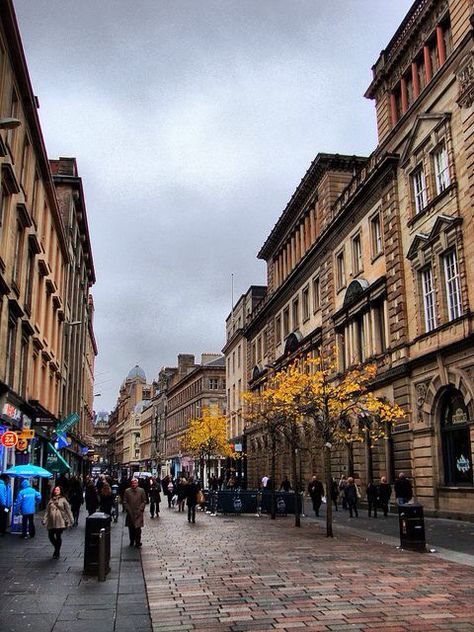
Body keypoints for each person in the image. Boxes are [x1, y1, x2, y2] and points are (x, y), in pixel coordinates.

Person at [42, 486, 73, 559]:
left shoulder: (63, 499)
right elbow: (47, 511)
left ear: (60, 491)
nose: (56, 491)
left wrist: (71, 520)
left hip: (60, 521)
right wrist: (44, 519)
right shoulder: (51, 500)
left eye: (58, 489)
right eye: (55, 489)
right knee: (51, 536)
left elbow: (68, 510)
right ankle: (57, 548)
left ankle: (57, 552)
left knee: (58, 536)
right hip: (51, 521)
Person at [123, 478, 147, 547]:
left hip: (138, 512)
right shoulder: (127, 491)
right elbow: (125, 501)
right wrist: (127, 508)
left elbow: (144, 500)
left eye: (135, 483)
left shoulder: (141, 491)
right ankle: (132, 540)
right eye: (132, 483)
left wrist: (141, 508)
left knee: (138, 528)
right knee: (131, 528)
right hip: (130, 512)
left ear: (137, 484)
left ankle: (138, 542)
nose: (134, 484)